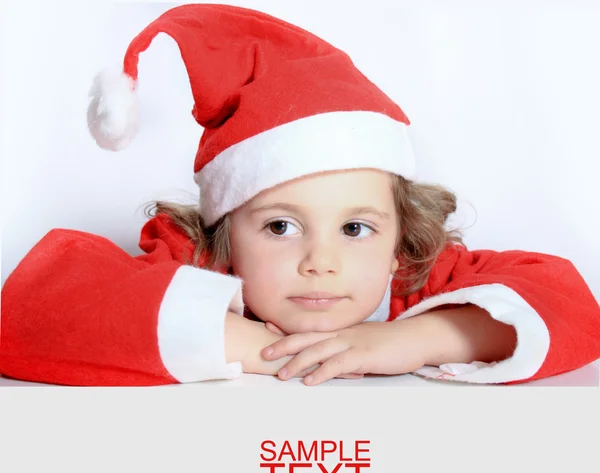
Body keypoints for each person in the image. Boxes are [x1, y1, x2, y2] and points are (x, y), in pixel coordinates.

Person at [0, 3, 598, 387]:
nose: (321, 261)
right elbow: (30, 311)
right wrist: (249, 343)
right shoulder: (199, 265)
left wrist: (412, 338)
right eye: (281, 226)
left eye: (355, 228)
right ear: (226, 234)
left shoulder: (415, 278)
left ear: (399, 243)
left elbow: (572, 306)